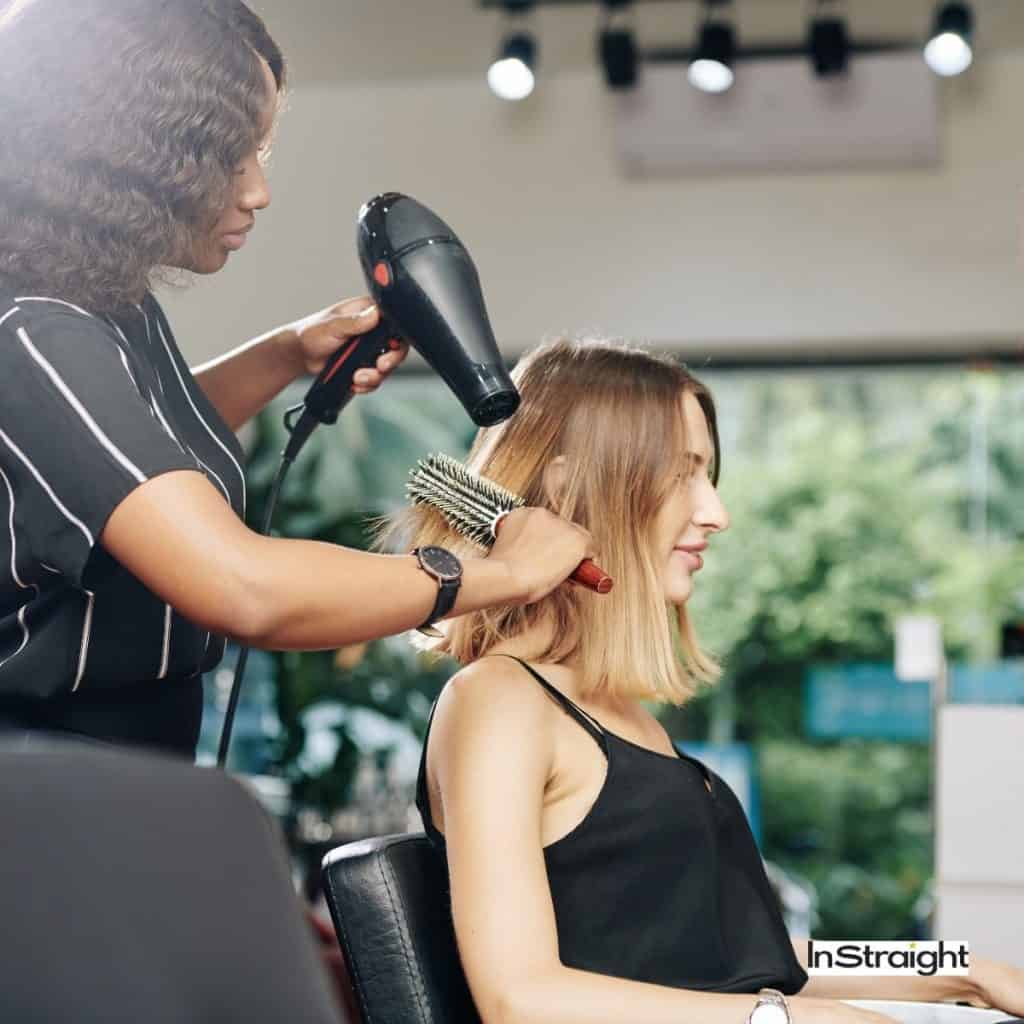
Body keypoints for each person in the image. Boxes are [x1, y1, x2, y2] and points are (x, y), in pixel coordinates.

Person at [0, 0, 595, 760]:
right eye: (230, 159)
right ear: (128, 156)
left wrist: (285, 354)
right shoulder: (35, 332)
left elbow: (124, 464)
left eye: (261, 156)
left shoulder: (104, 304)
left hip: (129, 758)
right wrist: (497, 573)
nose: (258, 192)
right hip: (45, 777)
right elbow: (243, 586)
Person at [378, 338, 1024, 1024]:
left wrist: (969, 971)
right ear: (567, 487)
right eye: (684, 474)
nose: (717, 512)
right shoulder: (499, 701)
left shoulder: (618, 715)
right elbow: (523, 998)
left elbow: (754, 959)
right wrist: (792, 1020)